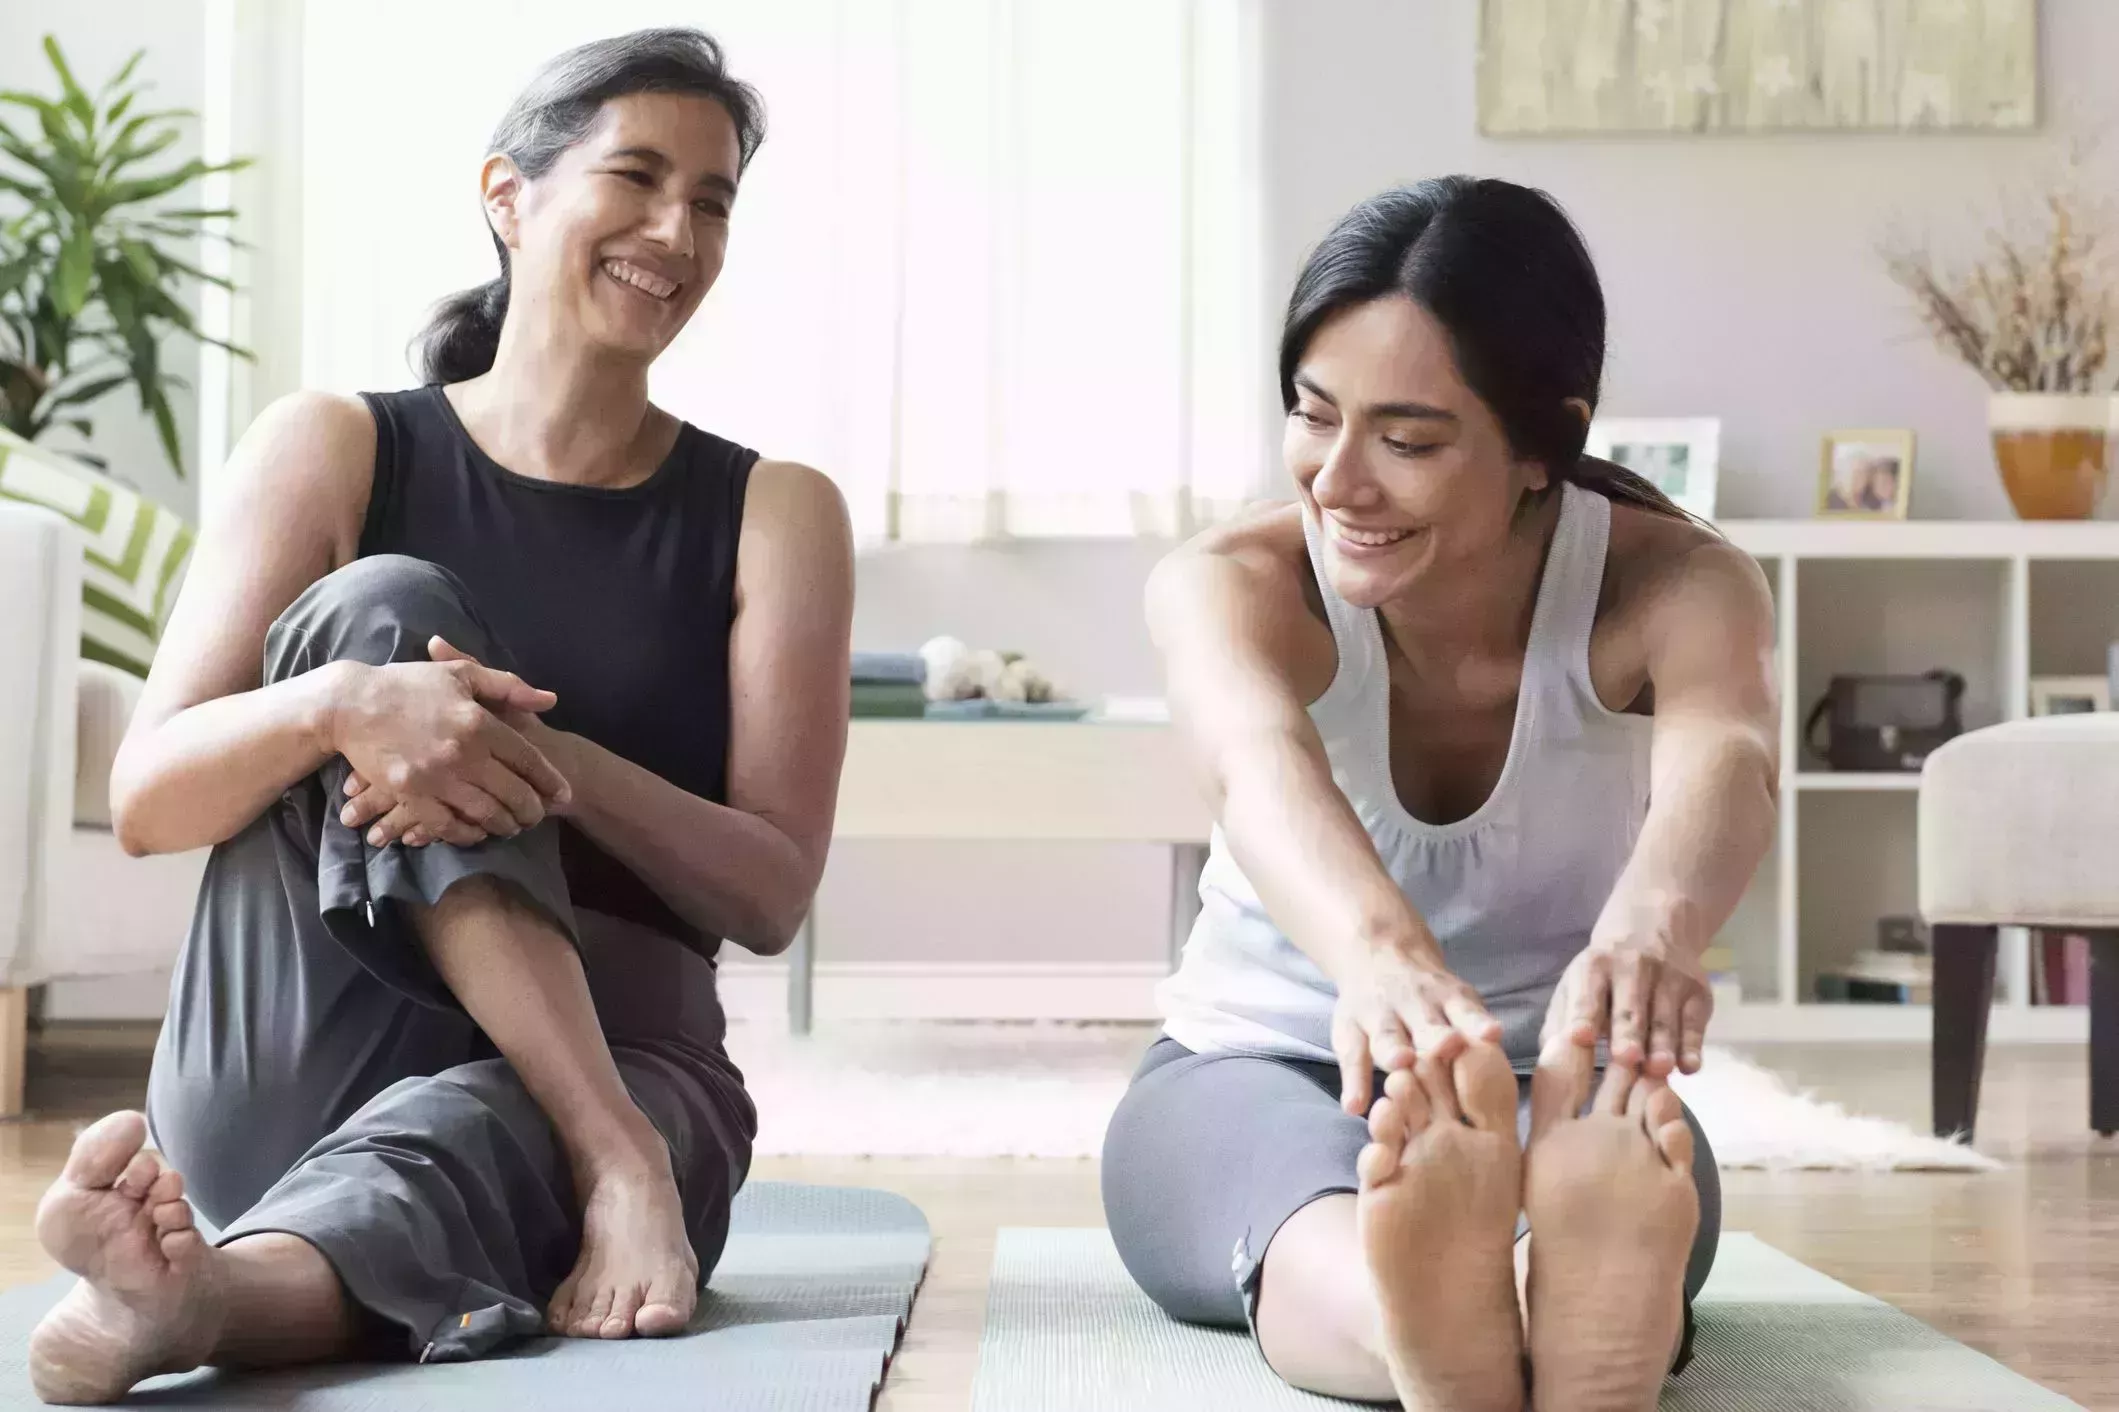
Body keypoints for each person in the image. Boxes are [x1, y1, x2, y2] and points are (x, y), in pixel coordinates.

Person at [28, 28, 854, 1405]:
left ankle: (189, 1302)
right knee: (383, 607)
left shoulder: (775, 513)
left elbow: (768, 894)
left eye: (711, 201)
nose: (676, 229)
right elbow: (149, 797)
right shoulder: (335, 445)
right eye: (637, 177)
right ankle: (609, 1156)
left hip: (629, 1051)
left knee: (475, 1133)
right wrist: (347, 705)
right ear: (507, 195)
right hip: (311, 1036)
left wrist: (545, 760)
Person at [1103, 177, 1778, 1412]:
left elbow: (1726, 752)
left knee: (1619, 1188)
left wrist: (1651, 928)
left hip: (1571, 1096)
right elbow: (1254, 760)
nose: (1338, 480)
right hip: (1258, 1060)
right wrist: (1377, 959)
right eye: (1314, 417)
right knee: (1306, 1211)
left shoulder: (1675, 583)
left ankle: (1505, 1311)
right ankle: (1455, 1328)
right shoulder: (1231, 582)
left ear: (1543, 444)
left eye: (1407, 440)